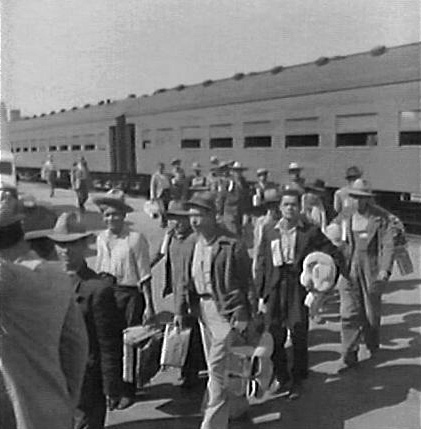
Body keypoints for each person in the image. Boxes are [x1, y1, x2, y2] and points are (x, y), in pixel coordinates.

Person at [0, 186, 88, 429]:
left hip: (13, 415)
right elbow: (76, 347)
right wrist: (67, 399)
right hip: (53, 409)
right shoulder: (57, 275)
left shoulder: (8, 277)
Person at [255, 188, 344, 399]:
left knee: (298, 331)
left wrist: (324, 282)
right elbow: (261, 262)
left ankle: (298, 378)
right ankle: (281, 374)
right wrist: (260, 294)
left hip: (298, 287)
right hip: (275, 288)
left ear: (300, 208)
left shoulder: (310, 232)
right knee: (274, 333)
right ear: (280, 207)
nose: (289, 208)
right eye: (286, 204)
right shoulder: (269, 230)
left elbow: (333, 253)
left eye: (294, 205)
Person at [174, 192, 252, 429]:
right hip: (202, 310)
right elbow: (182, 280)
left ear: (212, 216)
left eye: (199, 215)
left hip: (227, 310)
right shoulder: (190, 243)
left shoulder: (231, 243)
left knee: (217, 367)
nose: (194, 221)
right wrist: (179, 310)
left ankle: (212, 423)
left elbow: (247, 281)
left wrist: (246, 312)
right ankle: (237, 406)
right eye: (192, 215)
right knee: (222, 362)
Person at [47, 212, 123, 427]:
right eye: (60, 245)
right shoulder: (47, 282)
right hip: (55, 376)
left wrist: (111, 386)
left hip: (87, 381)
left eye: (72, 244)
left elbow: (108, 344)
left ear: (83, 245)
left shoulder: (98, 289)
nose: (65, 250)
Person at [93, 189, 154, 409]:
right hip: (107, 294)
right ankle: (113, 388)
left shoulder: (135, 239)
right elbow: (99, 269)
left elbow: (145, 274)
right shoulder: (101, 239)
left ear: (124, 216)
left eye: (116, 215)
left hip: (130, 295)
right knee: (109, 343)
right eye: (107, 215)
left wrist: (149, 306)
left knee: (130, 344)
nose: (111, 219)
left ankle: (129, 389)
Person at [331, 179, 394, 371]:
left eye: (362, 198)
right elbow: (332, 234)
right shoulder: (345, 215)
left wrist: (384, 269)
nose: (358, 201)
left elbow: (388, 244)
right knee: (348, 312)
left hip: (371, 268)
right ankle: (349, 354)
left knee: (371, 313)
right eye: (355, 197)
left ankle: (372, 343)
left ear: (369, 199)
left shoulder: (381, 218)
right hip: (349, 269)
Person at [150, 201, 205, 389]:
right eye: (173, 218)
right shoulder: (171, 237)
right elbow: (158, 254)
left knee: (193, 331)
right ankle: (190, 370)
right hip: (179, 292)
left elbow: (191, 273)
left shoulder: (195, 239)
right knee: (185, 330)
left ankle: (192, 373)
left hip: (194, 294)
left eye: (182, 218)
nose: (177, 222)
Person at [218, 161, 251, 237]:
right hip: (230, 211)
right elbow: (221, 196)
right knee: (232, 233)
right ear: (232, 171)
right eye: (236, 171)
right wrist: (219, 212)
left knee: (240, 233)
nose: (238, 173)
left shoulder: (244, 183)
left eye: (240, 171)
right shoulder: (228, 182)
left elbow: (246, 198)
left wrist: (246, 213)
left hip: (240, 212)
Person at [150, 162, 171, 228]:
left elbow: (169, 183)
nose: (161, 169)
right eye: (160, 167)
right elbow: (153, 186)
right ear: (158, 168)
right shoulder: (155, 176)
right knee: (162, 208)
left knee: (166, 207)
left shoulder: (166, 175)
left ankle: (166, 221)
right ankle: (163, 221)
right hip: (160, 193)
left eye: (162, 167)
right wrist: (152, 196)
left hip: (167, 192)